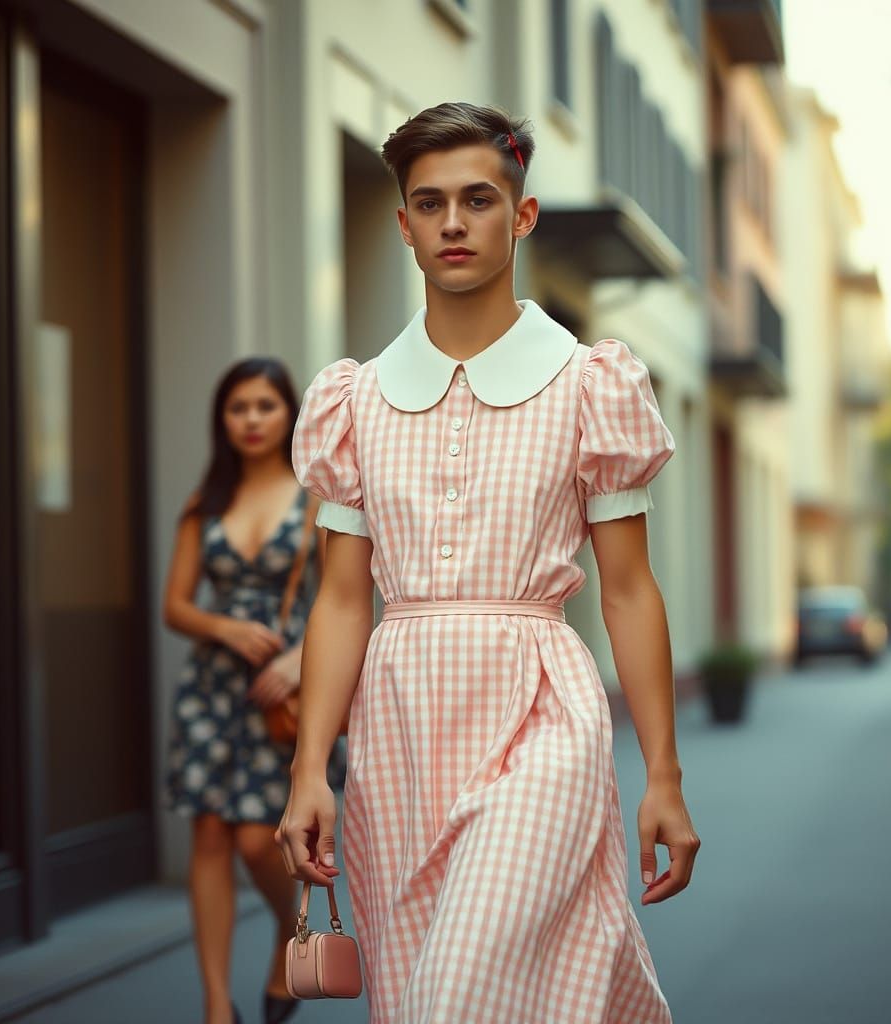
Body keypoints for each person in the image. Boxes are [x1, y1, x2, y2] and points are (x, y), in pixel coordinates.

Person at [276, 102, 701, 1023]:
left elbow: (628, 591)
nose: (454, 223)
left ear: (523, 214)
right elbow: (343, 603)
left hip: (542, 709)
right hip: (398, 729)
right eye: (430, 204)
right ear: (404, 225)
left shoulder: (592, 383)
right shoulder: (354, 401)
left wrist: (662, 774)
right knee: (424, 991)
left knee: (458, 991)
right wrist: (311, 767)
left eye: (478, 199)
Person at [163, 357, 323, 1024]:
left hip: (287, 693)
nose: (252, 419)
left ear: (288, 413)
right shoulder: (207, 503)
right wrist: (222, 626)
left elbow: (351, 598)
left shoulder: (321, 494)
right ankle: (213, 1004)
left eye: (265, 405)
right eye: (238, 408)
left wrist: (300, 660)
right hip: (212, 687)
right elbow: (175, 606)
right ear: (221, 420)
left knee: (262, 842)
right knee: (208, 833)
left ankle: (289, 930)